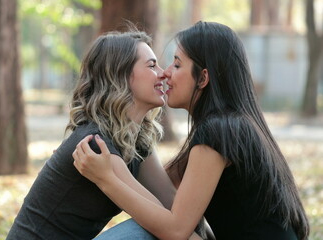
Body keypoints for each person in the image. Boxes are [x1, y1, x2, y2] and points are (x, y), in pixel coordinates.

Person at [73, 21, 310, 240]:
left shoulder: (218, 132)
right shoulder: (234, 125)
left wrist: (106, 179)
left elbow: (176, 230)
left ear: (203, 77)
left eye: (176, 64)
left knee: (140, 231)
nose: (165, 73)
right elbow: (164, 192)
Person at [6, 30, 182, 239]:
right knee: (146, 230)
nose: (163, 73)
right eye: (152, 65)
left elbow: (171, 203)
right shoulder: (95, 142)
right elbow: (166, 223)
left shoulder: (135, 137)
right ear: (120, 75)